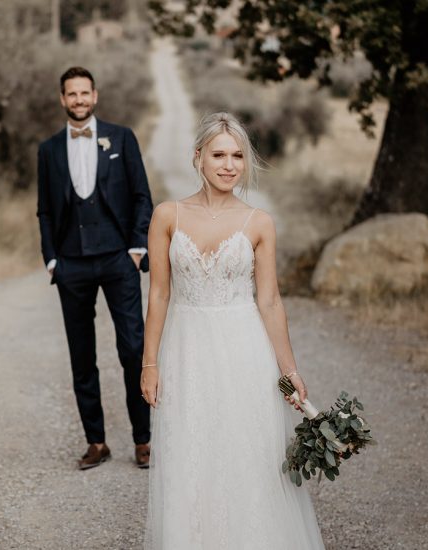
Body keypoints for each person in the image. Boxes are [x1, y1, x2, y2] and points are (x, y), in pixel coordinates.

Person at [141, 112, 325, 548]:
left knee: (248, 457)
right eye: (219, 154)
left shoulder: (259, 222)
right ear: (198, 158)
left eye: (238, 155)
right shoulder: (167, 215)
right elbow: (159, 295)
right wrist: (149, 363)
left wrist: (289, 370)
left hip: (245, 352)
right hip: (187, 352)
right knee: (190, 456)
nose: (229, 164)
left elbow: (270, 300)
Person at [37, 66, 153, 470]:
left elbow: (141, 195)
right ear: (62, 99)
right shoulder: (48, 150)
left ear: (96, 96)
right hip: (71, 265)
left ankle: (144, 439)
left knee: (133, 349)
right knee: (81, 356)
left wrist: (138, 247)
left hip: (119, 258)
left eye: (85, 93)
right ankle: (96, 442)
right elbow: (46, 211)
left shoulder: (121, 138)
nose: (79, 100)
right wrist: (52, 261)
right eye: (72, 94)